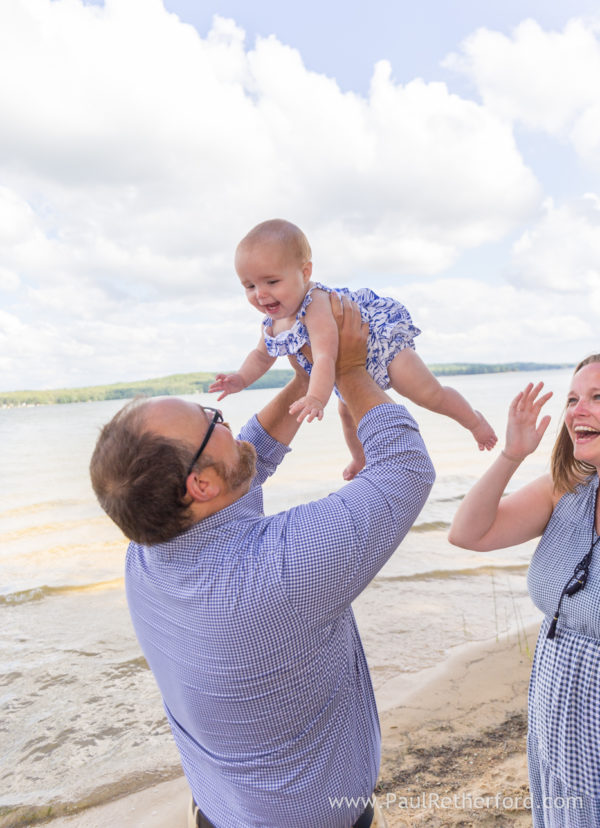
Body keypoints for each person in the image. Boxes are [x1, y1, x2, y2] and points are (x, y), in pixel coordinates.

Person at [89, 295, 435, 828]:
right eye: (212, 421)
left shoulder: (147, 551)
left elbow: (245, 459)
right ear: (198, 485)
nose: (224, 422)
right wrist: (347, 370)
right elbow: (405, 470)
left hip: (217, 809)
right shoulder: (279, 568)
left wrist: (304, 381)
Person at [210, 218, 496, 480]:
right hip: (345, 371)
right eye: (249, 286)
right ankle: (360, 459)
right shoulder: (273, 322)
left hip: (382, 352)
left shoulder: (316, 304)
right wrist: (241, 379)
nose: (260, 294)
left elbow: (325, 355)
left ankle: (473, 420)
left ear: (305, 272)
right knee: (348, 416)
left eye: (272, 281)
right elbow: (261, 355)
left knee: (429, 394)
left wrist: (315, 398)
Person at [448, 354, 600, 827]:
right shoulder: (568, 490)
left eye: (598, 398)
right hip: (555, 707)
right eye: (573, 399)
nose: (578, 410)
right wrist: (512, 454)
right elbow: (468, 533)